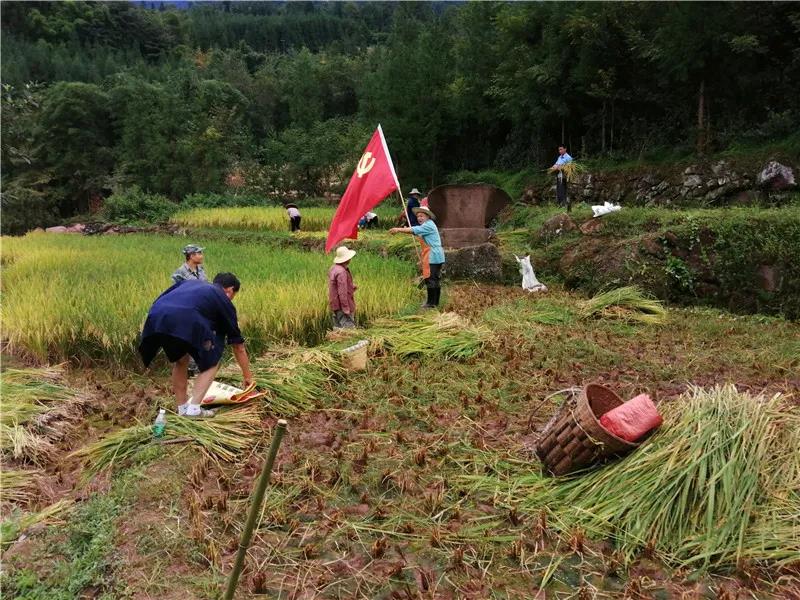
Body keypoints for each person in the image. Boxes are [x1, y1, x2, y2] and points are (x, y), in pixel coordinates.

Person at [139, 273, 253, 418]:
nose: (231, 299)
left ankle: (182, 409)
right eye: (233, 295)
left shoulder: (189, 283)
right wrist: (248, 377)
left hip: (157, 316)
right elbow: (238, 346)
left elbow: (163, 297)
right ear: (230, 290)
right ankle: (194, 410)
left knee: (181, 360)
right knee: (213, 361)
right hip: (186, 318)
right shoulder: (223, 298)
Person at [389, 207, 445, 309]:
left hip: (433, 255)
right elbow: (416, 232)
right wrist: (406, 229)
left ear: (427, 216)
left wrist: (398, 229)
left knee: (430, 279)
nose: (419, 218)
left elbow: (414, 230)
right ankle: (434, 302)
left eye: (421, 216)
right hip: (434, 255)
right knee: (434, 279)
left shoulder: (428, 225)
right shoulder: (427, 225)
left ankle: (431, 303)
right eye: (418, 216)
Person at [329, 246, 358, 329]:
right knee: (349, 330)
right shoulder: (341, 272)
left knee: (338, 329)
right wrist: (346, 309)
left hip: (335, 304)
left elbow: (335, 285)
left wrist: (351, 287)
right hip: (342, 306)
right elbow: (342, 292)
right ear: (346, 259)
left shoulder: (333, 268)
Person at [551, 145, 573, 212]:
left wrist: (561, 167)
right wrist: (553, 167)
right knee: (559, 189)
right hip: (559, 175)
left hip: (565, 177)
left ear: (565, 149)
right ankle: (560, 204)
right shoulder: (559, 157)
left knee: (564, 189)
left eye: (561, 149)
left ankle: (565, 204)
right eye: (559, 150)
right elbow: (556, 164)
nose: (560, 151)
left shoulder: (568, 157)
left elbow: (569, 167)